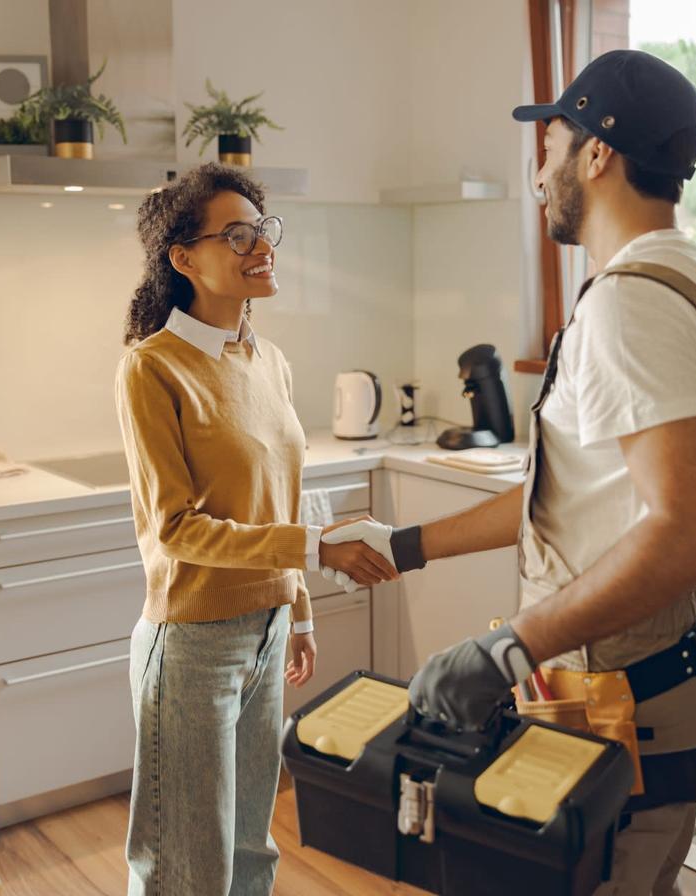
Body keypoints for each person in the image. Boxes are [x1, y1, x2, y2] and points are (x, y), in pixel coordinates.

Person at [322, 50, 696, 894]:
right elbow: (574, 499)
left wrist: (509, 649)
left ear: (598, 154)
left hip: (623, 681)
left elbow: (694, 528)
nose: (539, 171)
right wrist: (405, 545)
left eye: (551, 144)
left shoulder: (628, 304)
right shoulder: (688, 276)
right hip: (650, 670)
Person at [116, 162, 398, 896]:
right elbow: (177, 529)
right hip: (192, 644)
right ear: (184, 260)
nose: (260, 245)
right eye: (236, 234)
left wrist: (296, 608)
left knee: (249, 847)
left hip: (268, 630)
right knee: (187, 861)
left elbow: (286, 496)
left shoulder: (268, 360)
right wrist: (314, 552)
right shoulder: (154, 370)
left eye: (263, 229)